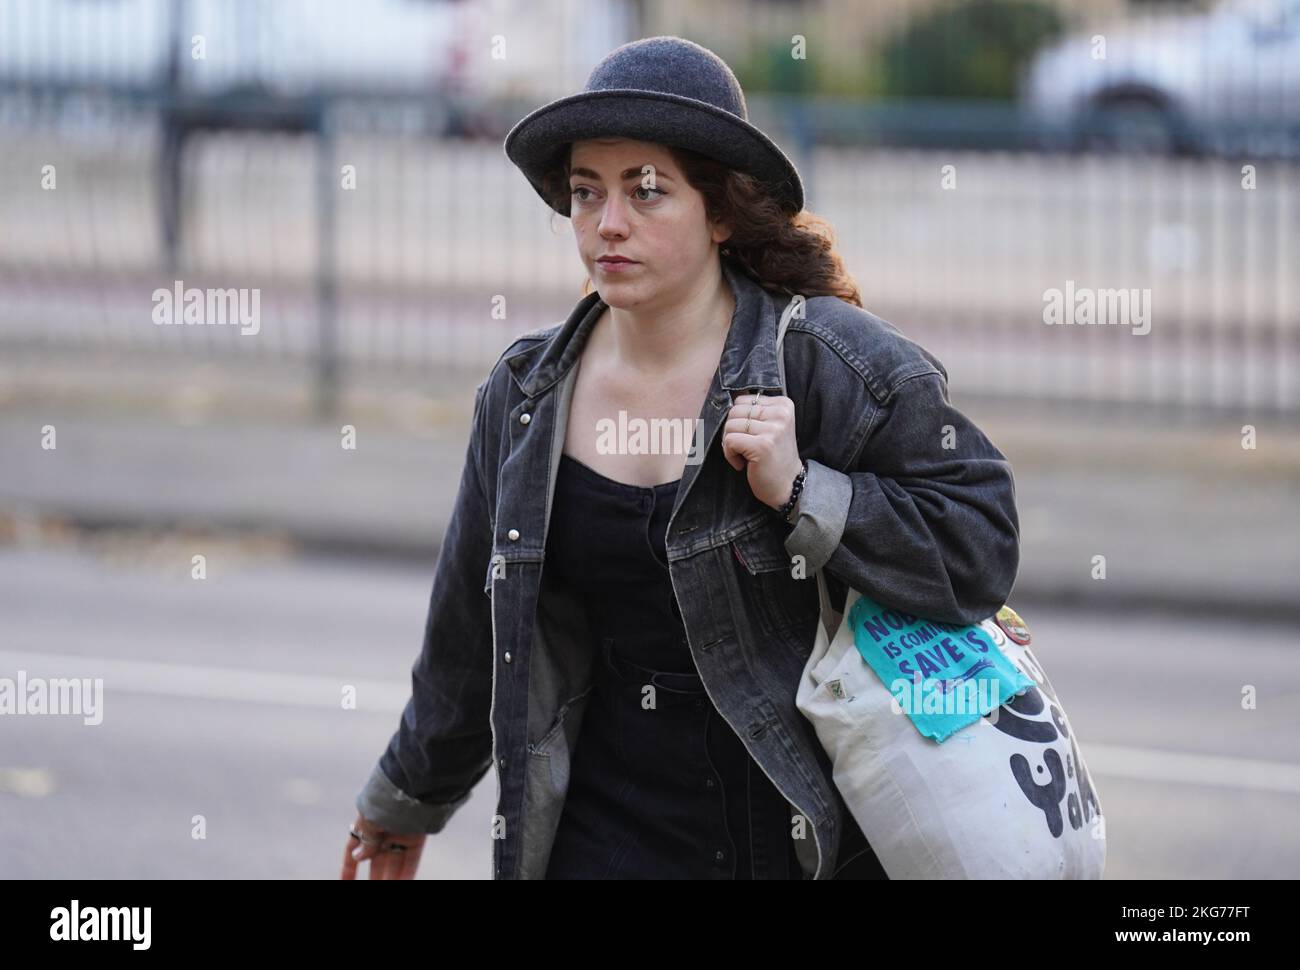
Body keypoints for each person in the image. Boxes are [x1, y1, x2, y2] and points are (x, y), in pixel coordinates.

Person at [342, 35, 1020, 880]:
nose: (608, 223)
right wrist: (406, 799)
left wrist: (807, 492)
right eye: (587, 193)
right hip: (598, 843)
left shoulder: (826, 367)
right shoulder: (526, 396)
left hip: (797, 841)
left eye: (647, 190)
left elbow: (980, 544)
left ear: (722, 209)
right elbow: (470, 635)